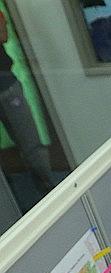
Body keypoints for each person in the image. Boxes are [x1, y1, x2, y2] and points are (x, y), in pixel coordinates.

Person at [0, 8, 52, 195]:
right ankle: (10, 201)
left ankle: (48, 191)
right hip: (6, 84)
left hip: (6, 86)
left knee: (31, 145)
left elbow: (3, 35)